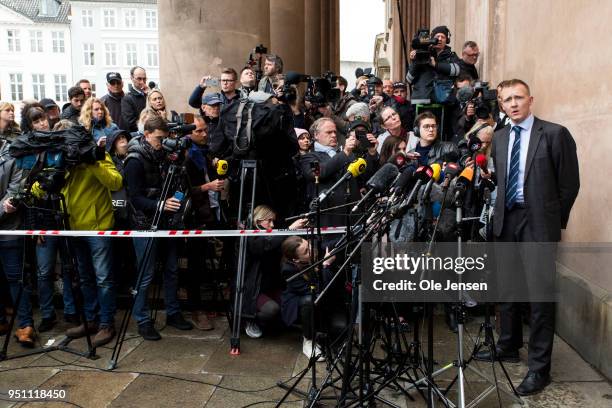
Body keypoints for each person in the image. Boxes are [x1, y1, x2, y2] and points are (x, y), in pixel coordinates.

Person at [474, 79, 580, 396]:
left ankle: (539, 368)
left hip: (538, 223)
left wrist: (550, 222)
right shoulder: (501, 137)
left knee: (539, 297)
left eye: (518, 97)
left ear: (530, 99)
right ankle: (508, 346)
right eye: (507, 100)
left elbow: (569, 185)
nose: (513, 104)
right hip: (507, 221)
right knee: (507, 289)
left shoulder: (555, 134)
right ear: (502, 105)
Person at [124, 115, 193, 340]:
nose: (161, 143)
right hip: (145, 225)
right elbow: (134, 198)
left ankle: (173, 313)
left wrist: (177, 201)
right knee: (145, 274)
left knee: (172, 270)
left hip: (168, 222)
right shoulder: (135, 159)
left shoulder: (166, 156)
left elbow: (180, 185)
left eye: (165, 138)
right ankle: (142, 319)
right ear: (146, 135)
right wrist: (161, 205)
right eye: (158, 139)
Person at [299, 118, 379, 227]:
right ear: (316, 135)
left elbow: (364, 177)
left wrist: (372, 153)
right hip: (329, 219)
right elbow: (319, 173)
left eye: (334, 132)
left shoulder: (348, 154)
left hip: (354, 216)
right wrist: (345, 152)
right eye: (328, 132)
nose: (333, 135)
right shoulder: (309, 157)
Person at [242, 206, 307, 339]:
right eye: (269, 221)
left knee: (289, 303)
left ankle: (275, 324)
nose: (272, 224)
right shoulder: (251, 236)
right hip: (254, 289)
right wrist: (289, 230)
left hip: (272, 285)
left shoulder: (272, 234)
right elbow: (262, 246)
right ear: (258, 221)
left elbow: (279, 243)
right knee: (272, 309)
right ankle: (250, 320)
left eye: (273, 221)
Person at [183, 115, 223, 331]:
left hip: (211, 211)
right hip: (195, 216)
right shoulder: (187, 156)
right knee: (195, 264)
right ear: (189, 133)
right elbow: (184, 191)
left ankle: (208, 301)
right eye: (199, 131)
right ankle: (195, 308)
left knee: (209, 257)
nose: (205, 134)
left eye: (206, 130)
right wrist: (207, 187)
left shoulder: (204, 153)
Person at [0, 123, 34, 347]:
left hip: (9, 229)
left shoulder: (11, 154)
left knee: (17, 279)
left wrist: (3, 208)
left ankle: (25, 325)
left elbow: (14, 192)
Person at [280, 236, 338, 360]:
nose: (311, 250)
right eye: (306, 251)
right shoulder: (289, 269)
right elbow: (317, 290)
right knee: (309, 300)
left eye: (309, 245)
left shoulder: (315, 248)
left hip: (326, 300)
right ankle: (308, 340)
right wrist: (326, 265)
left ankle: (320, 328)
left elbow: (335, 241)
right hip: (301, 301)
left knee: (341, 329)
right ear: (296, 259)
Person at [406, 25, 461, 104]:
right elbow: (409, 79)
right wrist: (415, 61)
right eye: (437, 36)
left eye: (443, 37)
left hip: (443, 101)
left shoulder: (451, 55)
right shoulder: (421, 54)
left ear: (447, 40)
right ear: (431, 39)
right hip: (422, 101)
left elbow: (457, 70)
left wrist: (436, 65)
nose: (439, 39)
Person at [121, 66, 148, 132]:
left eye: (144, 79)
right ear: (132, 78)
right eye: (139, 79)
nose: (142, 82)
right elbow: (130, 123)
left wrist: (150, 95)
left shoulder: (149, 94)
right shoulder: (127, 99)